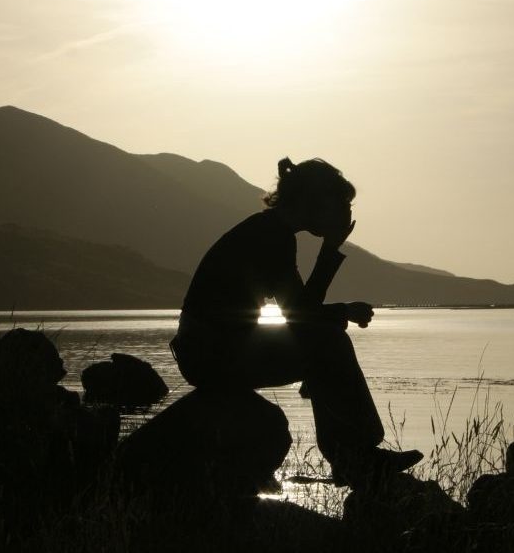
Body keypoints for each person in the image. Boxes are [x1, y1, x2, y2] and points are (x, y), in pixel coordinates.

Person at [169, 157, 422, 487]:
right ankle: (356, 457)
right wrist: (341, 300)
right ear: (314, 200)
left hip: (211, 351)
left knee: (326, 338)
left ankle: (352, 456)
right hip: (212, 354)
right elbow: (301, 314)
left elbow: (302, 312)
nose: (344, 213)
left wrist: (333, 278)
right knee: (330, 342)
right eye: (339, 204)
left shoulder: (270, 230)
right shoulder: (271, 235)